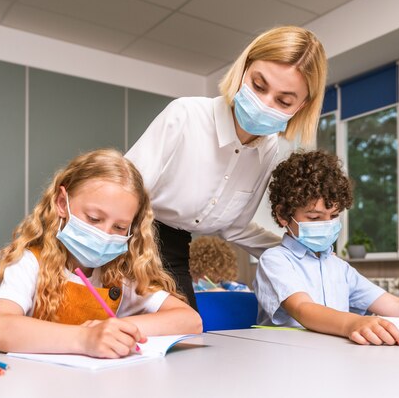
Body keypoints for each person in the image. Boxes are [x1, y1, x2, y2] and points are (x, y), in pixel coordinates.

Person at [126, 25, 327, 307]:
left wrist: (294, 251)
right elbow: (121, 193)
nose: (264, 103)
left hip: (174, 250)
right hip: (127, 235)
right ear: (243, 69)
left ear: (302, 107)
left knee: (185, 333)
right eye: (258, 85)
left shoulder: (267, 148)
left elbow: (235, 227)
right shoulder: (186, 116)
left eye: (283, 100)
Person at [0, 149, 202, 358]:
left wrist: (117, 331)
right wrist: (85, 338)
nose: (104, 235)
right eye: (94, 219)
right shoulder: (30, 263)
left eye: (119, 227)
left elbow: (190, 320)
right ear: (61, 203)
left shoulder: (119, 274)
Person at [254, 150, 399, 345]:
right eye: (314, 217)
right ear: (283, 214)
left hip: (332, 357)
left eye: (333, 216)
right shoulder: (275, 260)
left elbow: (395, 305)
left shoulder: (338, 267)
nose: (327, 224)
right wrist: (353, 322)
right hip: (290, 359)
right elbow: (303, 309)